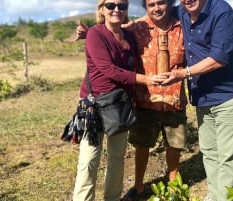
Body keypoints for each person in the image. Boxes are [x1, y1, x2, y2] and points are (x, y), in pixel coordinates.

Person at [76, 1, 188, 200]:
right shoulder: (97, 32)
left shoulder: (129, 33)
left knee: (117, 158)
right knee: (89, 160)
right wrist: (146, 79)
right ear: (101, 8)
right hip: (95, 105)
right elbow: (108, 69)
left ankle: (112, 198)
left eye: (122, 6)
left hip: (121, 104)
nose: (116, 10)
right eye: (110, 5)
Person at [161, 0, 233, 201]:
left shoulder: (222, 12)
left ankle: (224, 198)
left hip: (229, 95)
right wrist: (117, 27)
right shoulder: (182, 11)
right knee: (210, 152)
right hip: (203, 96)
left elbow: (219, 58)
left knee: (228, 157)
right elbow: (157, 12)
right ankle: (216, 194)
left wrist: (183, 73)